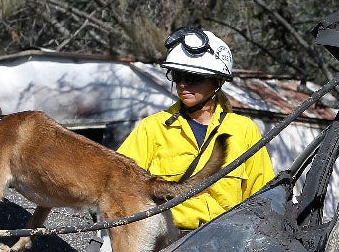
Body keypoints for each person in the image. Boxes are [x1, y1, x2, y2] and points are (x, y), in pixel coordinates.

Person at [117, 27, 275, 231]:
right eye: (177, 75)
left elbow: (264, 196)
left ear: (217, 81)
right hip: (168, 239)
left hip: (226, 239)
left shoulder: (244, 130)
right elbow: (119, 184)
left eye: (192, 77)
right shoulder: (153, 128)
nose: (183, 84)